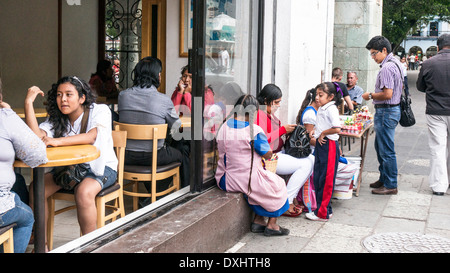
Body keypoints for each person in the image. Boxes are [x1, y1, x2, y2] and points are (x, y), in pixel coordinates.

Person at [24, 76, 118, 248]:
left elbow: (91, 137)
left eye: (69, 94)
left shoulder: (100, 110)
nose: (63, 99)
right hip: (69, 169)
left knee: (83, 192)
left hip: (100, 167)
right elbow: (37, 137)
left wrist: (57, 141)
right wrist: (28, 104)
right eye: (59, 95)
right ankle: (41, 246)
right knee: (37, 188)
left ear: (82, 98)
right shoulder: (57, 117)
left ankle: (90, 247)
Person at [215, 94, 290, 236]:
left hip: (224, 179)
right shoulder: (254, 131)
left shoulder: (224, 125)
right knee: (278, 185)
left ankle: (259, 221)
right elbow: (267, 154)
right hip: (245, 179)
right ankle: (272, 225)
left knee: (261, 186)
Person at [118, 57, 189, 191]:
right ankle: (158, 192)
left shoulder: (123, 96)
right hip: (154, 156)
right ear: (157, 76)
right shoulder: (163, 100)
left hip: (126, 155)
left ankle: (151, 192)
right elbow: (177, 126)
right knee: (180, 150)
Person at [0, 77, 47, 253]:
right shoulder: (5, 117)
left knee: (17, 183)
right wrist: (10, 114)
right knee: (26, 216)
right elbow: (38, 156)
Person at [255, 84, 313, 217]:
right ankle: (286, 201)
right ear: (265, 101)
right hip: (268, 158)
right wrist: (282, 130)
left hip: (279, 153)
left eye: (279, 102)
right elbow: (262, 141)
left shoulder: (270, 115)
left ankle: (289, 198)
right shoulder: (259, 114)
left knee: (311, 158)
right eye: (276, 102)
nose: (278, 105)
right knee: (305, 164)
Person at [362, 35, 403, 195]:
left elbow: (387, 94)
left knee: (386, 149)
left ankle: (391, 184)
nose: (372, 57)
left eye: (374, 53)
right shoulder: (396, 63)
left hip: (386, 110)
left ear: (384, 50)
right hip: (390, 110)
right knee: (380, 147)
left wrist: (370, 95)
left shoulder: (387, 68)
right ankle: (384, 178)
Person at [416, 33, 450, 196]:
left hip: (435, 110)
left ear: (438, 47)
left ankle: (439, 186)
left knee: (438, 147)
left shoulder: (428, 63)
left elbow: (420, 87)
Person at [306, 82, 341, 222]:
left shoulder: (331, 109)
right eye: (316, 95)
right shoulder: (322, 108)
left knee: (326, 179)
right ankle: (324, 209)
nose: (317, 98)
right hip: (321, 145)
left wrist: (323, 133)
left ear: (331, 96)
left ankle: (322, 213)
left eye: (321, 95)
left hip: (329, 145)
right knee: (319, 177)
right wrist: (317, 131)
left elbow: (337, 128)